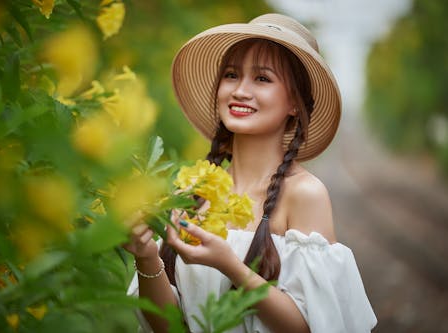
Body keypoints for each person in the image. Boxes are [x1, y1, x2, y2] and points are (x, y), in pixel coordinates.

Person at [125, 13, 377, 333]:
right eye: (231, 75)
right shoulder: (191, 192)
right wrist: (146, 258)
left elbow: (311, 326)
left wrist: (230, 265)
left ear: (295, 104)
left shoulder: (304, 195)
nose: (240, 91)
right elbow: (167, 327)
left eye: (262, 78)